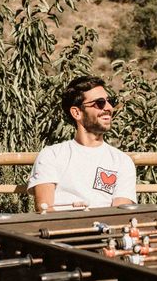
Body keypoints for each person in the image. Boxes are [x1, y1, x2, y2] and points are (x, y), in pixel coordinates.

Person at [28, 76, 137, 211]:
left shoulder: (121, 161)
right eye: (100, 103)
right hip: (60, 229)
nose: (109, 108)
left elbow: (120, 214)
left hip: (106, 230)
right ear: (77, 112)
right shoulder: (52, 155)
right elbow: (45, 209)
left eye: (110, 101)